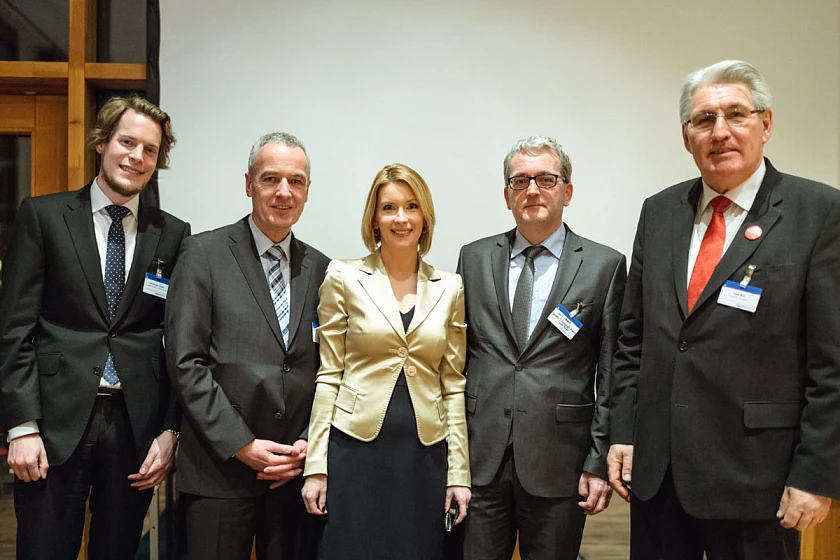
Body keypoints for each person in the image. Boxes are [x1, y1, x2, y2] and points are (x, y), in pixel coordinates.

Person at [608, 60, 840, 560]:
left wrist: (817, 474)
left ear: (766, 124)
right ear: (686, 136)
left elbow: (832, 362)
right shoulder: (659, 211)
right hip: (659, 477)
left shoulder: (818, 212)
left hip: (759, 480)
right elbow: (633, 338)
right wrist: (624, 432)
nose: (720, 132)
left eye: (736, 114)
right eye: (704, 119)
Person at [0, 96, 190, 559]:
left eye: (150, 150)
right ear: (102, 143)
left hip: (134, 429)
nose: (137, 157)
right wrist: (21, 426)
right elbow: (14, 329)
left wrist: (170, 432)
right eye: (127, 142)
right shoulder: (44, 217)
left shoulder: (172, 233)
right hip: (54, 425)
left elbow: (177, 341)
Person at [455, 136, 626, 560]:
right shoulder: (473, 258)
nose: (532, 190)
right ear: (507, 195)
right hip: (480, 457)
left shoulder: (604, 266)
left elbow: (612, 375)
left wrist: (598, 460)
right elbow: (456, 361)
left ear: (567, 191)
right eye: (520, 181)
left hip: (560, 461)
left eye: (546, 179)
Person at [165, 132, 329, 560]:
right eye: (271, 178)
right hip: (219, 471)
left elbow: (331, 368)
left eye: (296, 181)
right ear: (249, 183)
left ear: (308, 190)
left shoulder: (323, 269)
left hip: (293, 474)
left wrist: (308, 443)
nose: (284, 192)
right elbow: (186, 363)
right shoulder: (203, 254)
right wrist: (241, 445)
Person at [301, 163, 471, 560]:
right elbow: (329, 375)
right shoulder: (344, 276)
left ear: (425, 217)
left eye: (411, 206)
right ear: (374, 219)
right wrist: (316, 466)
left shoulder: (450, 287)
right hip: (354, 451)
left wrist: (459, 474)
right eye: (389, 208)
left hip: (424, 456)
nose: (401, 218)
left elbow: (453, 386)